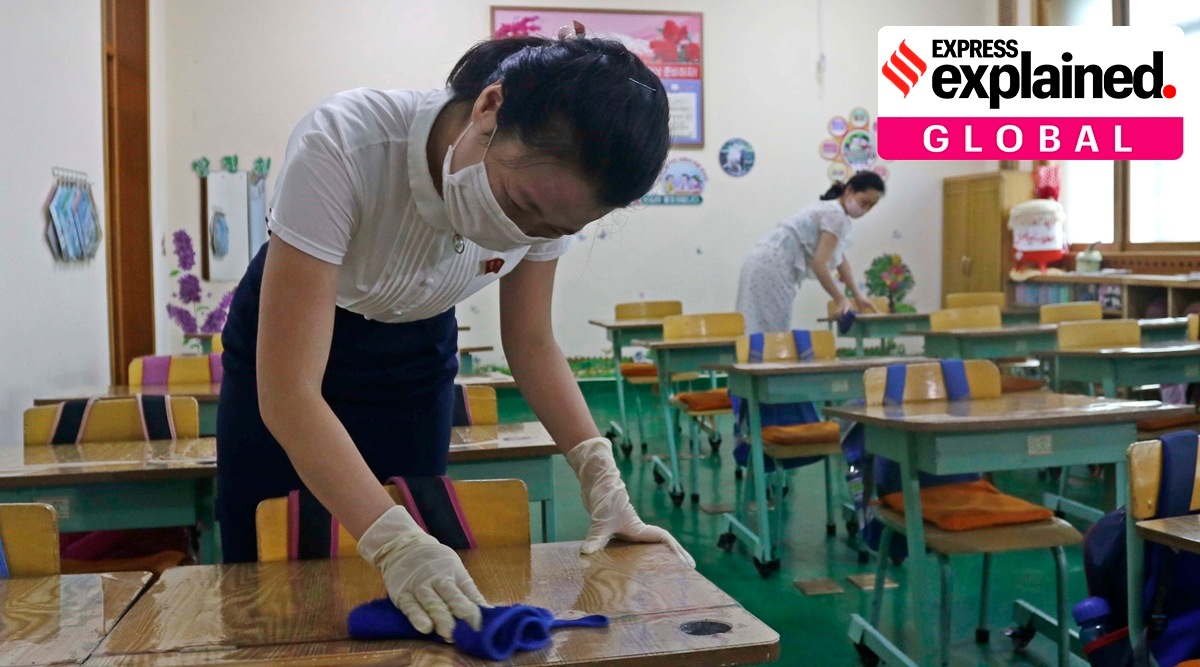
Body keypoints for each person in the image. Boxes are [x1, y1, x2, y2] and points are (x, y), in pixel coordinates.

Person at [216, 27, 692, 645]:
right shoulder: (346, 140)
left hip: (416, 351)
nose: (522, 232)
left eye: (553, 227)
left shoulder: (553, 192)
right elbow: (288, 392)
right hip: (293, 338)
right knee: (268, 569)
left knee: (419, 573)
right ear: (489, 108)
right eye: (519, 204)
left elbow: (532, 343)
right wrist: (392, 543)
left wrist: (600, 476)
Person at [734, 171, 886, 334]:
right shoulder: (836, 214)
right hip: (773, 265)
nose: (865, 209)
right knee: (771, 331)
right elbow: (820, 265)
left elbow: (839, 258)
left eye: (870, 206)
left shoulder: (831, 209)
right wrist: (840, 299)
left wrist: (857, 295)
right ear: (849, 190)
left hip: (763, 260)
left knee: (756, 325)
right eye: (864, 202)